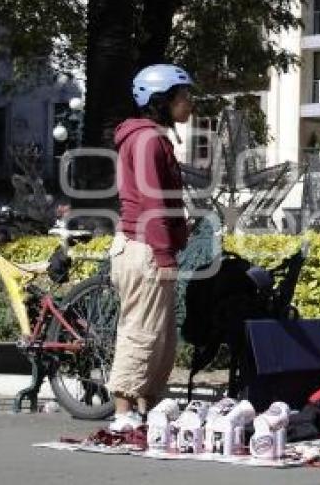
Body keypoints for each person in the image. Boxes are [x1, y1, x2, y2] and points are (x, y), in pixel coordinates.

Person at [107, 64, 193, 432]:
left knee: (161, 334)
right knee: (142, 331)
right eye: (184, 96)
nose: (190, 103)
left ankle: (149, 408)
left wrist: (181, 233)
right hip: (143, 249)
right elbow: (152, 201)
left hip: (147, 245)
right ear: (162, 100)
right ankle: (123, 414)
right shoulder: (146, 140)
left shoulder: (153, 137)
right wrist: (163, 252)